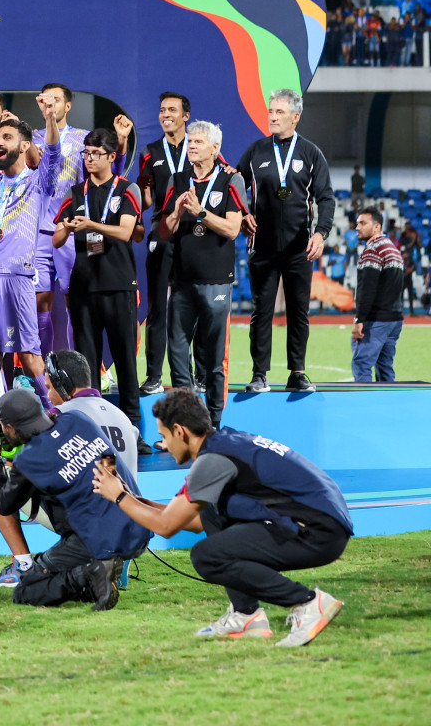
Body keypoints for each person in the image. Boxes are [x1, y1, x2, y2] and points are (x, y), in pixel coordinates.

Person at [94, 389, 351, 646]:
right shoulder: (224, 444)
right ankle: (246, 615)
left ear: (180, 431)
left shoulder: (212, 461)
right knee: (209, 512)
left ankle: (307, 603)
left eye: (163, 436)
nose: (163, 445)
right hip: (322, 523)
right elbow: (192, 521)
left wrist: (118, 497)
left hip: (319, 532)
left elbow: (167, 526)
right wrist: (128, 497)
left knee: (207, 556)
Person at [0, 388, 148, 609]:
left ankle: (91, 575)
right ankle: (100, 571)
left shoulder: (31, 459)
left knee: (26, 590)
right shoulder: (77, 419)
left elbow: (3, 504)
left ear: (10, 427)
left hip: (100, 537)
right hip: (139, 524)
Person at [234, 89, 334, 392]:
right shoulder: (256, 151)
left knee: (298, 311)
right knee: (261, 311)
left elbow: (326, 198)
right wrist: (239, 216)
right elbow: (234, 188)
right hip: (261, 246)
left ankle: (297, 372)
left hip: (298, 248)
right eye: (270, 111)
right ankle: (259, 374)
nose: (272, 117)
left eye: (279, 112)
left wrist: (321, 232)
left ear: (295, 116)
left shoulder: (311, 153)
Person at [53, 128, 147, 449]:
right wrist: (65, 229)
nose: (89, 159)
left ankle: (133, 428)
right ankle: (92, 428)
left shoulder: (126, 189)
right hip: (83, 286)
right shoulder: (75, 192)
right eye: (86, 154)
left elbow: (124, 232)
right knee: (87, 362)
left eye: (95, 153)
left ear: (111, 156)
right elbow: (56, 238)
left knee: (124, 359)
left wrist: (91, 225)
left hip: (119, 284)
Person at [161, 121, 245, 428]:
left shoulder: (231, 181)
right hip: (181, 279)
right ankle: (185, 424)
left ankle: (214, 424)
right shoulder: (178, 179)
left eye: (198, 141)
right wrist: (177, 213)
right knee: (178, 356)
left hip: (216, 281)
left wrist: (199, 212)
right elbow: (166, 229)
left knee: (213, 358)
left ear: (215, 148)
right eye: (190, 141)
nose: (191, 145)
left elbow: (233, 229)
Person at [0, 97, 61, 402]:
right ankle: (0, 420)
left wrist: (50, 119)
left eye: (7, 137)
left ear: (25, 146)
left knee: (28, 353)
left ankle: (55, 414)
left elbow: (52, 153)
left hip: (17, 277)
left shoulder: (40, 182)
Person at [136, 92, 193, 394]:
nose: (165, 114)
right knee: (158, 308)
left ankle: (187, 375)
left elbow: (219, 172)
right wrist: (142, 199)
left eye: (172, 109)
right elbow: (145, 198)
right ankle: (154, 375)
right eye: (162, 110)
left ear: (186, 116)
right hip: (162, 232)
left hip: (194, 234)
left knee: (190, 308)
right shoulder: (150, 152)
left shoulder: (197, 145)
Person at [33, 83, 91, 355]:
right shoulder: (31, 138)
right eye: (46, 100)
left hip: (71, 228)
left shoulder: (84, 138)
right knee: (40, 301)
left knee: (75, 301)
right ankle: (43, 369)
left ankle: (84, 366)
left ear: (67, 106)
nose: (51, 104)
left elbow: (97, 177)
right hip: (39, 229)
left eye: (56, 100)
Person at [351, 208, 403, 383]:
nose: (357, 227)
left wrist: (359, 320)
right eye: (357, 223)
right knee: (385, 367)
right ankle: (388, 408)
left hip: (377, 320)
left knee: (362, 364)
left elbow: (367, 289)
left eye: (363, 223)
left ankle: (365, 407)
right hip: (395, 318)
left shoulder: (372, 250)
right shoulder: (393, 250)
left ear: (377, 227)